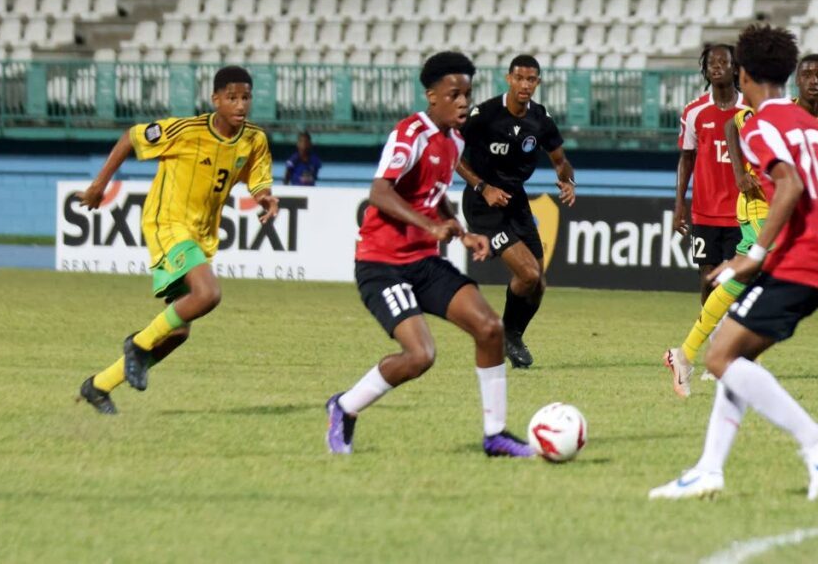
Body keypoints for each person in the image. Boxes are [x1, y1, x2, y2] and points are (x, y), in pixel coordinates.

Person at [650, 24, 818, 501]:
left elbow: (790, 185)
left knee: (719, 357)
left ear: (743, 73)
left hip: (800, 263)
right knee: (733, 354)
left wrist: (754, 256)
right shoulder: (813, 125)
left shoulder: (760, 125)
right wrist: (817, 235)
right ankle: (709, 469)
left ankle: (814, 439)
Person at [326, 51, 533, 458]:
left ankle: (495, 435)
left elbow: (432, 198)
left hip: (423, 262)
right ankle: (345, 407)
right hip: (382, 265)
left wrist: (460, 231)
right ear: (432, 96)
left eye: (467, 94)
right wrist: (430, 227)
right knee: (420, 355)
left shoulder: (454, 140)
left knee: (490, 328)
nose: (462, 102)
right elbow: (380, 192)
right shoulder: (411, 133)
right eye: (453, 94)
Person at [75, 66, 279, 414]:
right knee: (208, 294)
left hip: (201, 235)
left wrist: (265, 196)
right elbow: (131, 137)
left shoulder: (254, 139)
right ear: (215, 100)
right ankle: (137, 345)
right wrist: (99, 186)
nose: (240, 104)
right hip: (167, 222)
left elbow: (257, 178)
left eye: (245, 97)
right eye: (231, 97)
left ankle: (99, 385)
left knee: (177, 333)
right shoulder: (185, 130)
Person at [662, 53, 818, 397]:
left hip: (790, 212)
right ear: (796, 80)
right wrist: (739, 173)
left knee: (747, 281)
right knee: (756, 277)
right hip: (757, 205)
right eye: (806, 74)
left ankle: (697, 354)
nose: (813, 80)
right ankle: (710, 354)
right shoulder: (778, 114)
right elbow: (733, 125)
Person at [454, 54, 576, 369]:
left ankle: (513, 336)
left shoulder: (540, 119)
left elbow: (560, 159)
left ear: (537, 82)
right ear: (509, 79)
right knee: (528, 274)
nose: (525, 85)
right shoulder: (484, 115)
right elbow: (453, 156)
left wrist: (568, 181)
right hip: (484, 204)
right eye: (519, 78)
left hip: (516, 201)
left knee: (538, 284)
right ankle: (504, 334)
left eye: (531, 79)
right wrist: (483, 188)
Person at [674, 44, 748, 306]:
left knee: (733, 280)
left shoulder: (750, 110)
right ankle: (711, 339)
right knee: (707, 278)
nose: (716, 67)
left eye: (723, 62)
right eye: (711, 64)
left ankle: (733, 341)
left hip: (741, 212)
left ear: (735, 68)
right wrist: (679, 205)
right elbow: (686, 158)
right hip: (705, 212)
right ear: (705, 71)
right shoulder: (694, 111)